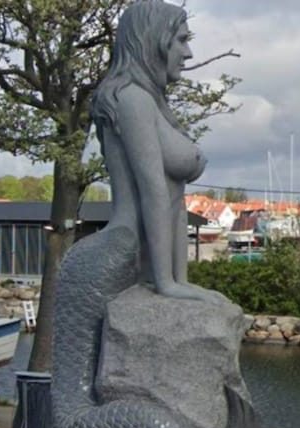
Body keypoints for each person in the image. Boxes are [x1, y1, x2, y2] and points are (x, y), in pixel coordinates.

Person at [92, 0, 225, 304]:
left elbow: (174, 201)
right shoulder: (131, 100)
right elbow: (153, 190)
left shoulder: (149, 102)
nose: (188, 53)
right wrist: (166, 284)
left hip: (157, 267)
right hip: (127, 254)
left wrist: (180, 282)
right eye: (181, 40)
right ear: (153, 40)